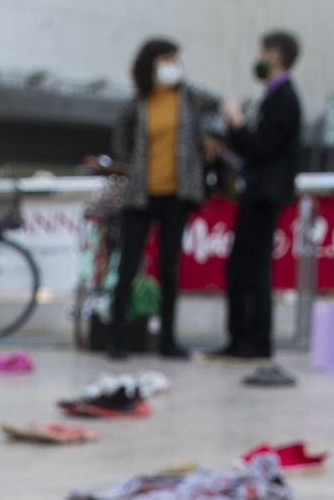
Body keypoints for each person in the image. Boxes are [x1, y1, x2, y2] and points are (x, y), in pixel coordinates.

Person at [106, 38, 218, 361]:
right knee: (128, 267)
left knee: (169, 269)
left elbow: (221, 109)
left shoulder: (190, 98)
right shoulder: (139, 102)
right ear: (151, 63)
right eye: (166, 58)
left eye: (175, 58)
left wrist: (210, 140)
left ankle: (168, 339)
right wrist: (135, 165)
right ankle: (118, 338)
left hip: (177, 196)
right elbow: (121, 138)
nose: (173, 64)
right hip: (140, 196)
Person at [216, 30, 302, 363]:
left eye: (263, 52)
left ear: (275, 55)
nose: (259, 58)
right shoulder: (272, 97)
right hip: (257, 192)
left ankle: (253, 341)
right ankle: (240, 339)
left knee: (252, 270)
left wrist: (237, 124)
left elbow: (262, 147)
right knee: (241, 268)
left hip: (266, 195)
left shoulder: (284, 99)